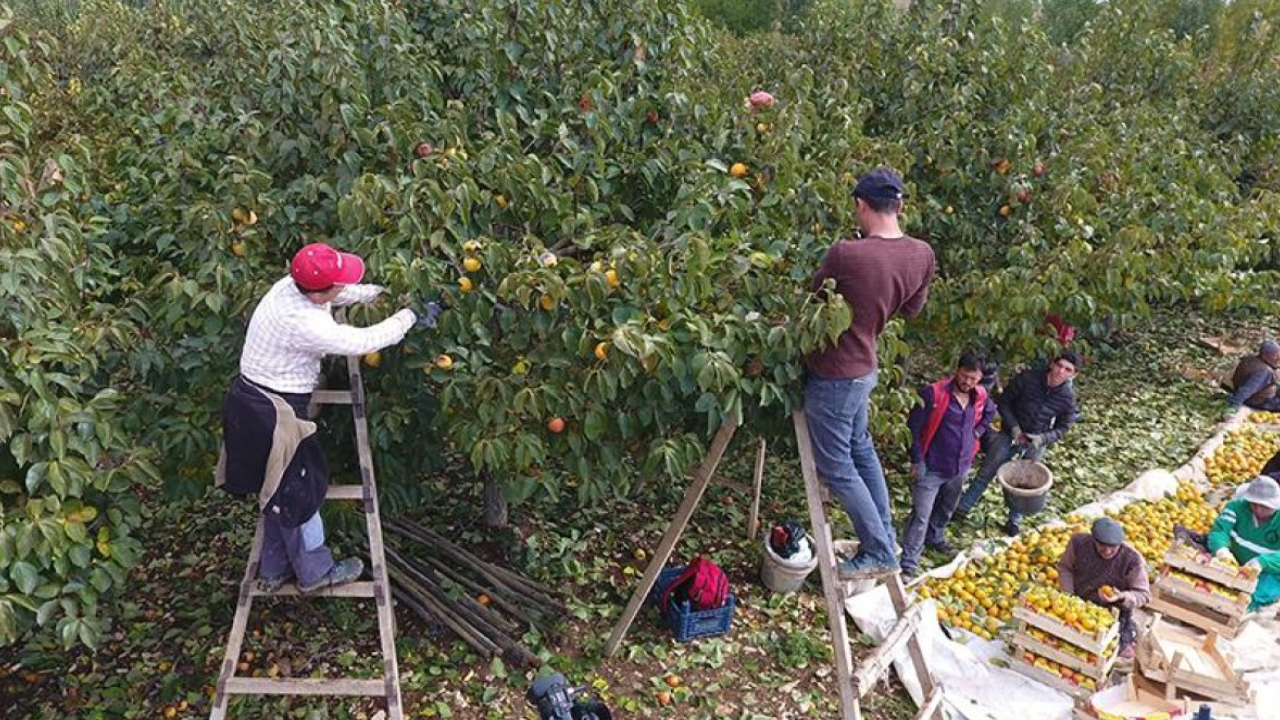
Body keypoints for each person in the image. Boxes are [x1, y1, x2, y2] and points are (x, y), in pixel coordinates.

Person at [217, 242, 437, 594]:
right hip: (276, 412)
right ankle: (315, 572)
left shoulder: (289, 286)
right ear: (320, 292)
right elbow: (365, 339)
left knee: (274, 488)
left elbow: (339, 293)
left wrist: (379, 295)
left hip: (249, 401)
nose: (341, 287)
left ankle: (273, 569)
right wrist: (409, 316)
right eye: (336, 284)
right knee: (299, 491)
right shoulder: (305, 323)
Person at [803, 167, 936, 580]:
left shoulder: (847, 253)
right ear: (898, 207)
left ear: (862, 205)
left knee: (837, 464)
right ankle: (885, 537)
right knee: (861, 448)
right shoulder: (921, 254)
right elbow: (912, 310)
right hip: (866, 369)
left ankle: (879, 548)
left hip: (835, 374)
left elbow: (813, 303)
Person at [955, 351, 1080, 535]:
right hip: (1009, 432)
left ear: (1073, 374)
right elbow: (1004, 402)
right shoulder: (1028, 378)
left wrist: (1042, 439)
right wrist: (1014, 428)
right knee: (986, 472)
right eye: (1059, 365)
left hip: (1036, 439)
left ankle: (1014, 522)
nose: (1061, 371)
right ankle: (961, 510)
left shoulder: (1067, 397)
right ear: (1052, 364)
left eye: (1067, 369)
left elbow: (1063, 427)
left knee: (1025, 482)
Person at [900, 352, 997, 577]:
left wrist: (978, 432)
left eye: (974, 379)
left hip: (960, 466)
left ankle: (936, 537)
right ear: (957, 370)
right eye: (965, 376)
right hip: (931, 466)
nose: (968, 382)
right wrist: (916, 460)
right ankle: (909, 562)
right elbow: (912, 429)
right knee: (921, 514)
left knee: (947, 507)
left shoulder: (979, 395)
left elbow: (990, 413)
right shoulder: (934, 394)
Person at [1055, 518, 1150, 660]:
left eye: (1113, 547)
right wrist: (1069, 596)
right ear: (1093, 539)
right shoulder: (1078, 543)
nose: (1107, 551)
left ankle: (1127, 633)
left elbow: (1143, 595)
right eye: (1102, 546)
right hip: (1079, 603)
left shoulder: (1132, 560)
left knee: (1117, 651)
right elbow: (1065, 568)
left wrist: (1121, 596)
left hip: (1112, 611)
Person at [1206, 475, 1280, 611]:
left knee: (1256, 594)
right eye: (1254, 504)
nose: (1258, 510)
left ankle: (1245, 608)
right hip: (1232, 563)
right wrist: (1221, 550)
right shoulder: (1236, 507)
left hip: (1266, 572)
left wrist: (1262, 562)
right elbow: (1220, 531)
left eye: (1265, 507)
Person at [1226, 340, 1280, 412]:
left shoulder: (1249, 359)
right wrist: (1233, 405)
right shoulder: (1264, 371)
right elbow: (1246, 389)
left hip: (1254, 393)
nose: (1278, 358)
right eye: (1275, 355)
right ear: (1265, 354)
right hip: (1259, 401)